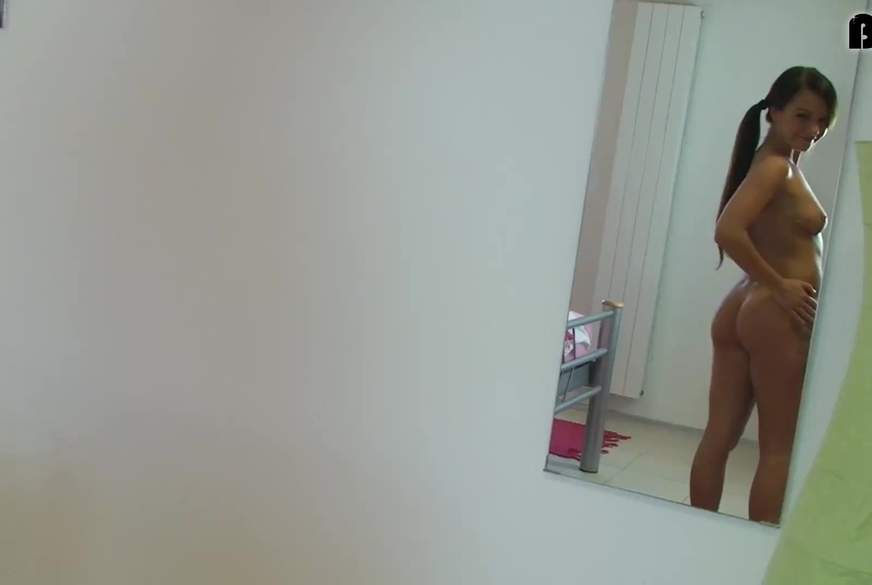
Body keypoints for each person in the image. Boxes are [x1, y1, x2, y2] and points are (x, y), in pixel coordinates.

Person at [689, 66, 838, 524]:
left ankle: (697, 532)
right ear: (773, 111)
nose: (812, 130)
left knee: (719, 435)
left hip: (744, 305)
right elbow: (727, 230)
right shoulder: (775, 167)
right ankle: (758, 548)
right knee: (778, 448)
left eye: (822, 122)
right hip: (773, 312)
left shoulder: (772, 163)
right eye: (802, 116)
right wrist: (780, 285)